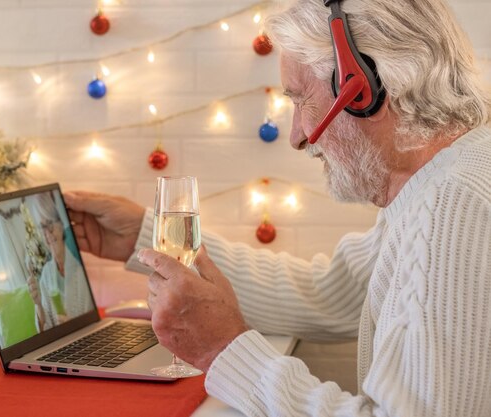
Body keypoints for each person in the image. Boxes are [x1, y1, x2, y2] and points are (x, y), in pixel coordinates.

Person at [64, 0, 491, 415]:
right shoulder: (438, 185)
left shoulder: (452, 206)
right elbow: (331, 292)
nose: (297, 136)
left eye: (301, 99)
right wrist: (142, 236)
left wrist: (222, 350)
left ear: (361, 88)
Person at [26, 192, 93, 331]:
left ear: (62, 225)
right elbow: (46, 330)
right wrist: (38, 304)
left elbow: (92, 327)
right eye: (41, 227)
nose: (47, 233)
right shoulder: (46, 273)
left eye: (49, 224)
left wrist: (72, 326)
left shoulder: (80, 268)